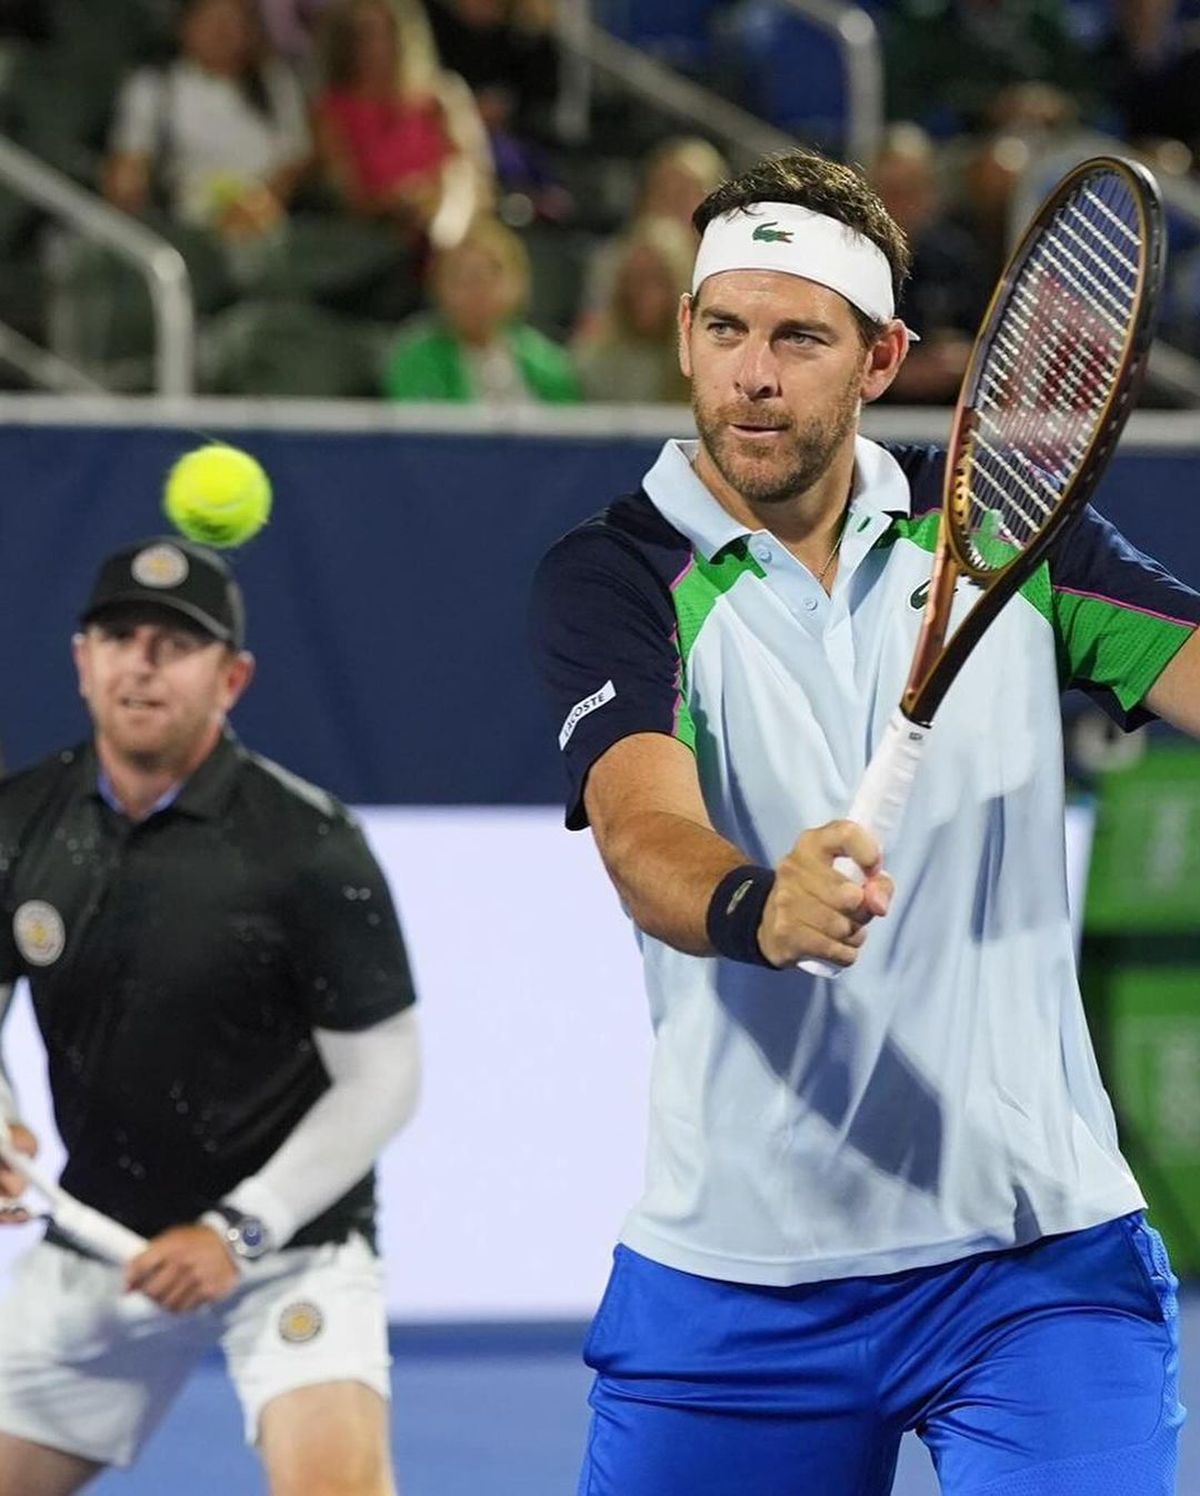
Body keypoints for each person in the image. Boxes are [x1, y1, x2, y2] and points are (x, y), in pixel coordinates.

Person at [530, 147, 1199, 1494]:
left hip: (1033, 1260)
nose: (752, 377)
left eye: (797, 337)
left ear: (881, 360)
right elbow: (638, 823)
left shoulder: (1012, 534)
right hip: (738, 1278)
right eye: (724, 330)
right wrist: (755, 903)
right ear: (682, 334)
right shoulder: (617, 573)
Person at [0, 537, 420, 1496]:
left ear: (231, 679)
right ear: (82, 660)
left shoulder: (308, 845)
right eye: (119, 636)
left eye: (175, 644)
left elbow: (385, 1076)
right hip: (100, 1237)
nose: (141, 661)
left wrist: (238, 1232)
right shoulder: (18, 824)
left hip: (291, 1248)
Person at [104, 0, 312, 245]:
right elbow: (129, 162)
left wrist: (259, 204)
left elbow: (297, 158)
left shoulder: (275, 82)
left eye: (233, 20)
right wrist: (126, 184)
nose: (222, 32)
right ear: (185, 25)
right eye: (211, 19)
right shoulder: (155, 87)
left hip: (271, 221)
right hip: (189, 228)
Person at [314, 0, 489, 250]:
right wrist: (408, 197)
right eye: (362, 35)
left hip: (455, 231)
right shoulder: (331, 111)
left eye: (385, 32)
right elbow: (351, 197)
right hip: (380, 241)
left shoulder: (441, 97)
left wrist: (443, 216)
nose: (375, 46)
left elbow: (473, 174)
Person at [383, 212, 579, 403]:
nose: (478, 290)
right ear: (438, 286)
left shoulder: (549, 362)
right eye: (463, 277)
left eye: (492, 274)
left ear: (519, 281)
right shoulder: (415, 360)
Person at [574, 214, 694, 404]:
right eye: (634, 279)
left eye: (657, 280)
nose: (643, 293)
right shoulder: (592, 362)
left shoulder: (702, 364)